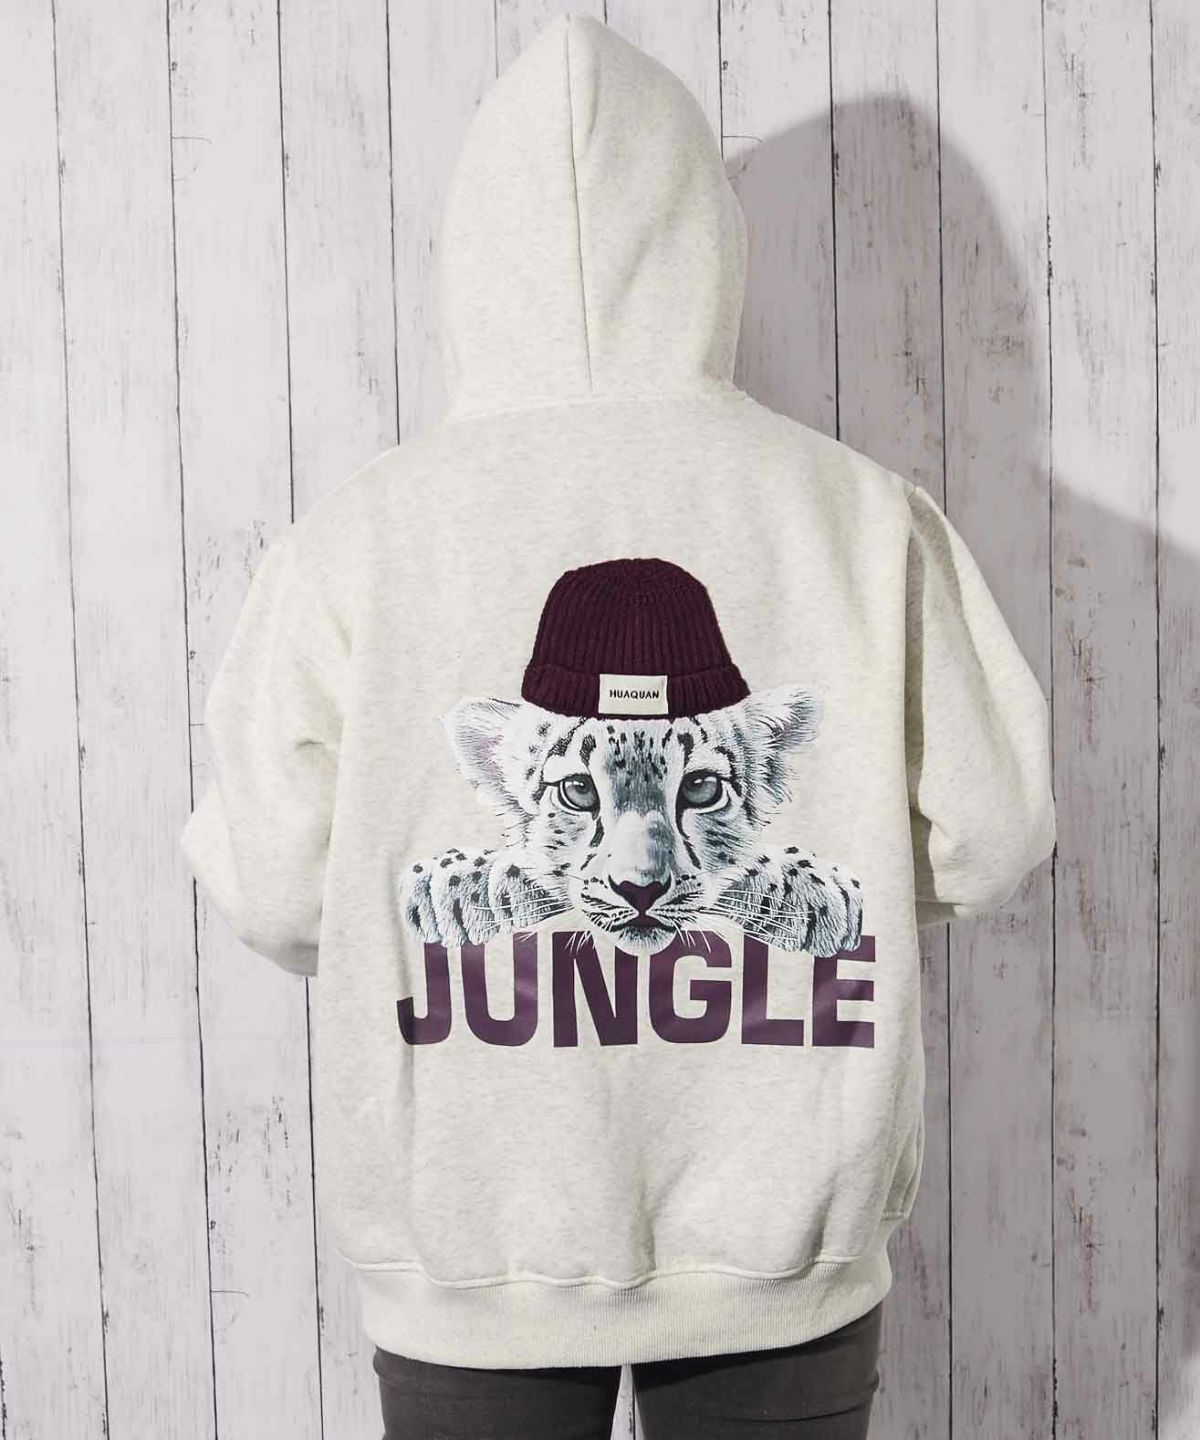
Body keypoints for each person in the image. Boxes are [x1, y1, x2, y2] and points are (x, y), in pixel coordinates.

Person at [180, 13, 1056, 1438]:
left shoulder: (356, 539)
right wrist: (822, 876)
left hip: (472, 1248)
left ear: (474, 259)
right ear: (708, 247)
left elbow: (274, 890)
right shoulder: (858, 516)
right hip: (783, 1241)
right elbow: (997, 832)